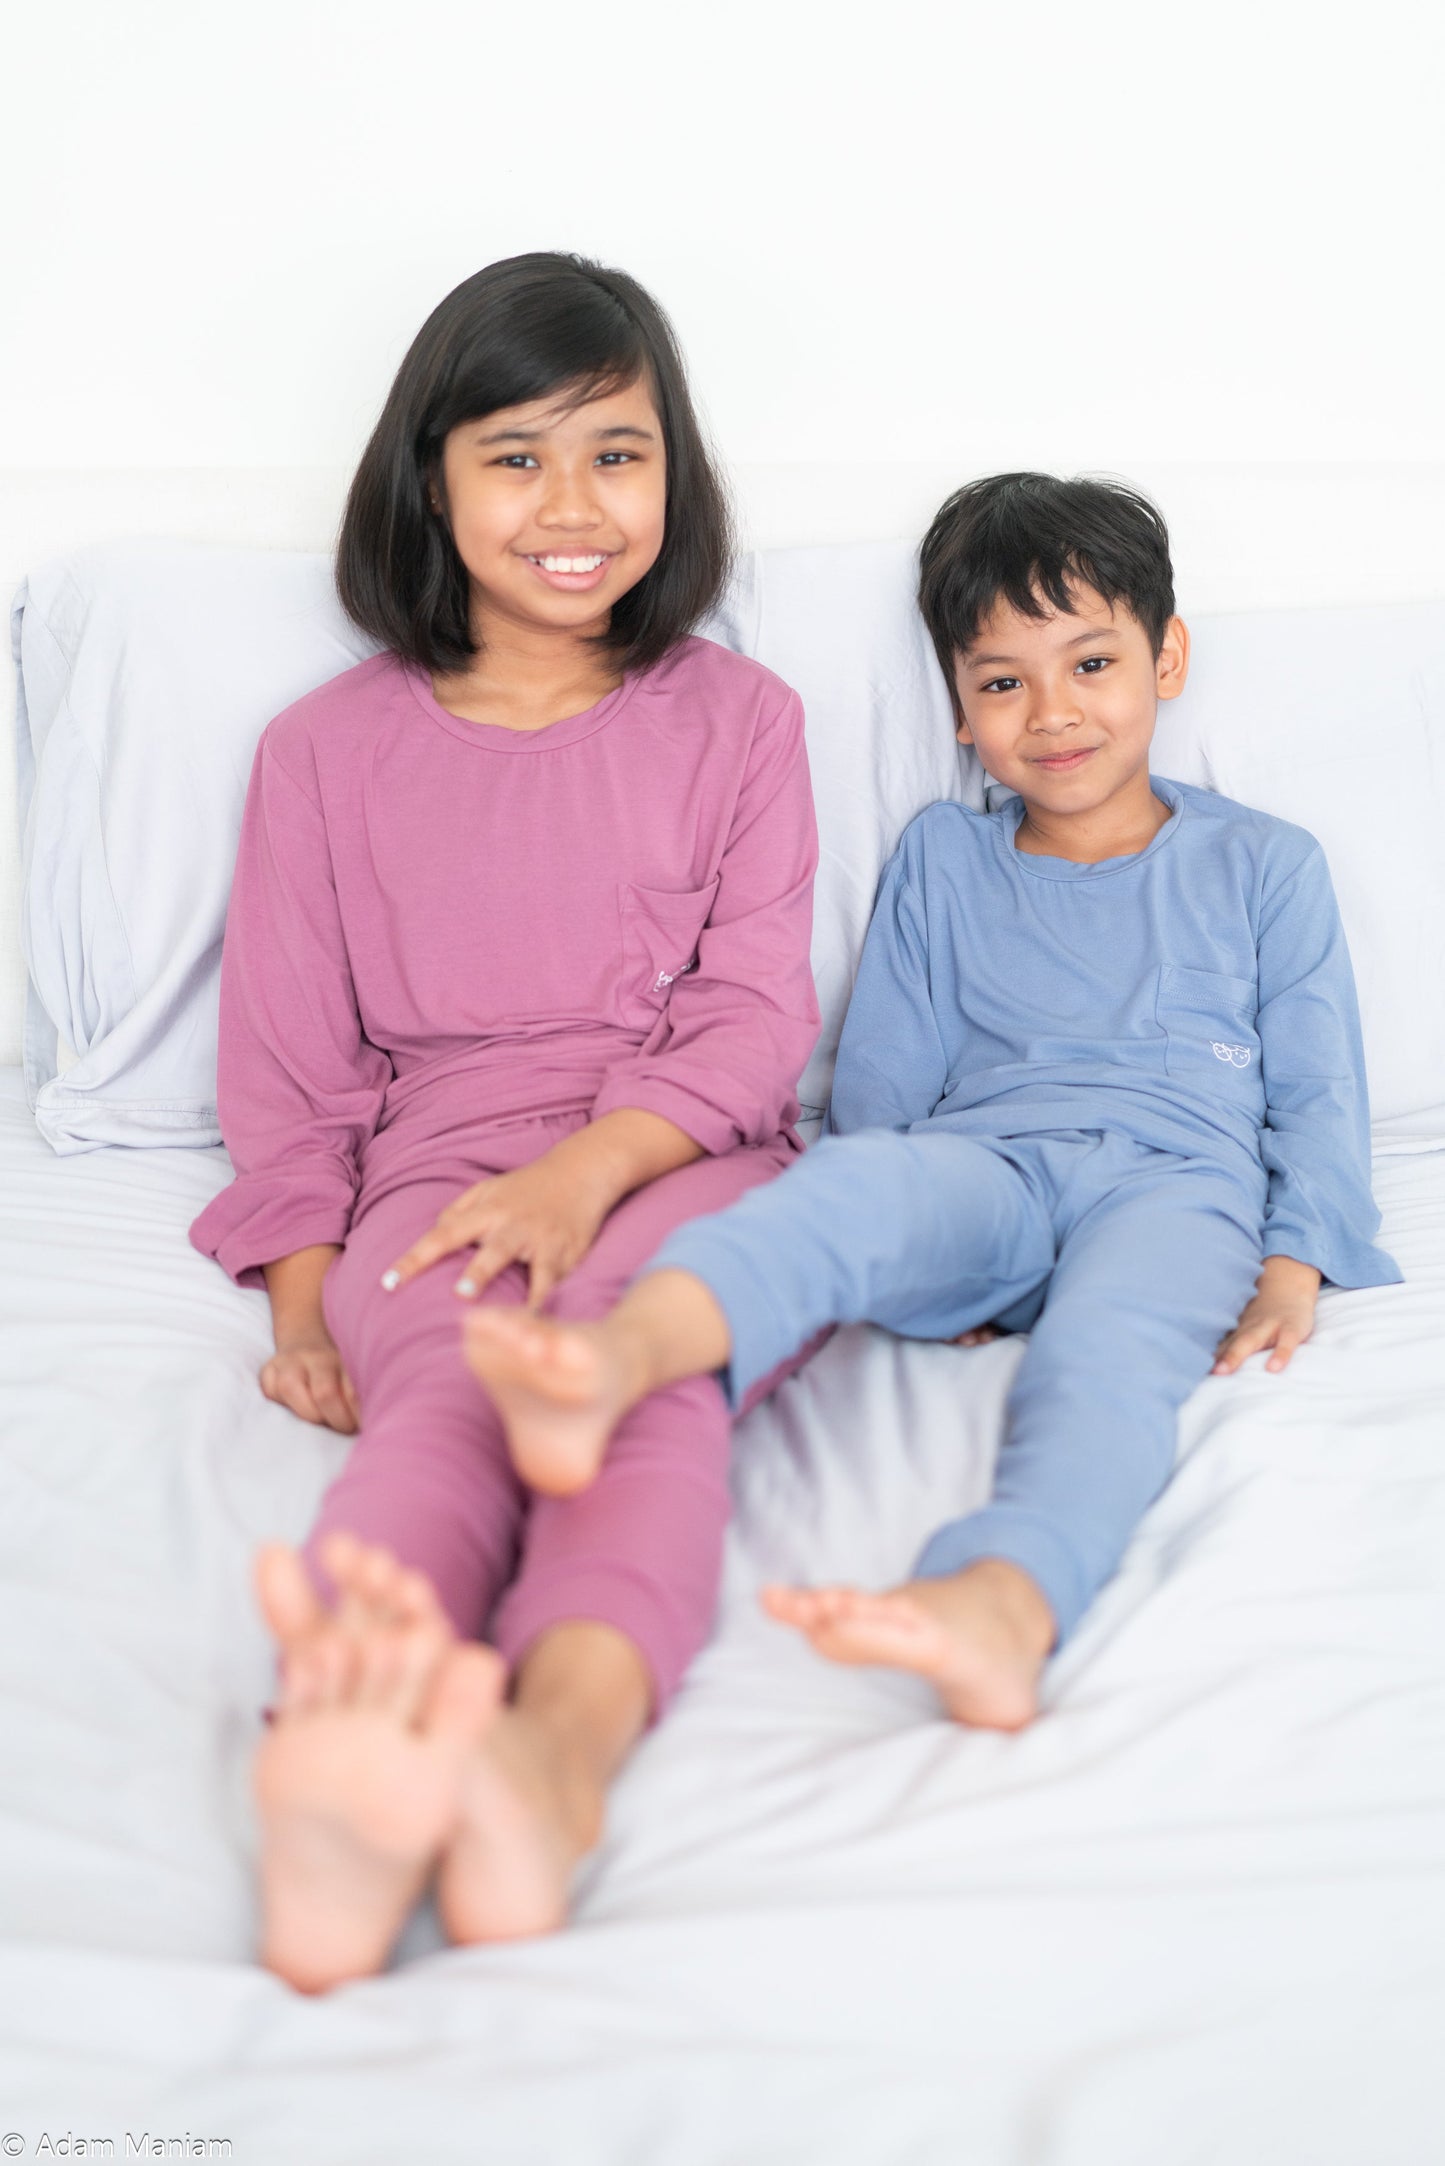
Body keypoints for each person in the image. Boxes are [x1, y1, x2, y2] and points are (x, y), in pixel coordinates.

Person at [461, 470, 1402, 1737]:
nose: (1052, 713)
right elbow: (882, 1089)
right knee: (844, 1189)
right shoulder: (942, 856)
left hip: (1174, 1186)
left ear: (1165, 658)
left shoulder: (1262, 863)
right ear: (958, 709)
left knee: (1106, 1356)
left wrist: (1293, 1264)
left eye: (1090, 664)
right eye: (1002, 682)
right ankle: (616, 1358)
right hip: (986, 1167)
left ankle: (1001, 1601)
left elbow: (1319, 1090)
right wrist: (911, 1250)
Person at [189, 253, 820, 1990]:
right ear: (431, 479)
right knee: (446, 1403)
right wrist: (310, 1307)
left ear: (674, 474)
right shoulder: (323, 753)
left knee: (629, 1377)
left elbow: (754, 1016)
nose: (573, 505)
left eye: (617, 453)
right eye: (517, 456)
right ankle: (344, 1752)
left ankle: (551, 1761)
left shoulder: (742, 721)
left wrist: (585, 1175)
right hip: (441, 1173)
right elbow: (292, 1074)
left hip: (681, 1152)